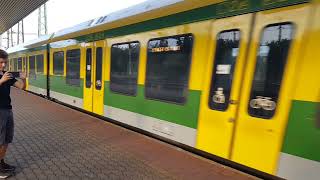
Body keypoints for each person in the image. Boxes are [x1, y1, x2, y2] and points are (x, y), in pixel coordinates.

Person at [0, 49, 25, 178]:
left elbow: (21, 87)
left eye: (5, 62)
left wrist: (23, 79)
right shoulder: (3, 77)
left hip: (8, 110)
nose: (3, 65)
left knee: (6, 140)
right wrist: (1, 81)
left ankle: (1, 163)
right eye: (1, 62)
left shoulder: (7, 74)